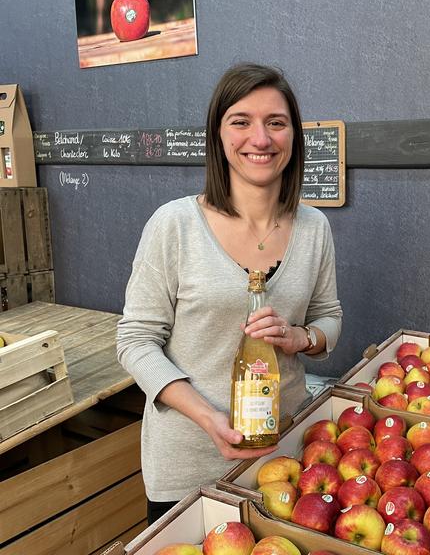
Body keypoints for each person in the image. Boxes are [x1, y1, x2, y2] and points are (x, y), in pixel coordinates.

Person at [116, 63, 343, 524]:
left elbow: (329, 317)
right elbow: (135, 340)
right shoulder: (174, 225)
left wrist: (301, 338)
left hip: (283, 458)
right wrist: (206, 416)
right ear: (218, 135)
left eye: (275, 123)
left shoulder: (315, 226)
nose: (260, 139)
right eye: (241, 121)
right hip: (189, 464)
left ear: (293, 137)